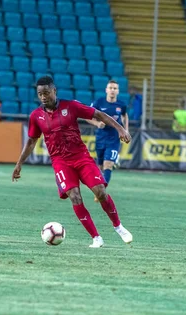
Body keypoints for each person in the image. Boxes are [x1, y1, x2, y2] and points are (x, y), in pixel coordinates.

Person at [12, 76, 133, 248]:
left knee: (100, 192)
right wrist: (19, 164)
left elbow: (98, 114)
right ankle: (96, 238)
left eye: (46, 92)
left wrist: (120, 128)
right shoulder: (36, 116)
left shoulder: (71, 106)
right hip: (60, 162)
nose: (43, 97)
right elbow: (31, 141)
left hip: (81, 157)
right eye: (40, 94)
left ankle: (118, 227)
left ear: (54, 91)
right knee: (75, 197)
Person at [86, 80, 128, 201]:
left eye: (115, 88)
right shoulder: (99, 102)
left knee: (107, 165)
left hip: (114, 139)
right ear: (106, 90)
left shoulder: (121, 105)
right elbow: (86, 116)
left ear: (118, 91)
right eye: (110, 88)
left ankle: (100, 193)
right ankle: (101, 186)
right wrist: (97, 123)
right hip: (100, 138)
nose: (112, 90)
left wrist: (125, 130)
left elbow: (125, 116)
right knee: (100, 167)